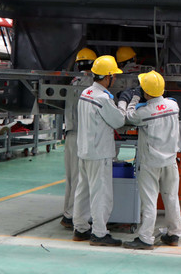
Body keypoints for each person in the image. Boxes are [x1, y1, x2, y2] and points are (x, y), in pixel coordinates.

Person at [121, 71, 181, 250]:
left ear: (146, 92)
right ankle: (174, 234)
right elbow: (167, 103)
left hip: (151, 163)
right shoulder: (173, 106)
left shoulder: (143, 112)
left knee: (149, 201)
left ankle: (146, 238)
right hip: (170, 161)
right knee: (171, 197)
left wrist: (132, 98)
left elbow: (128, 116)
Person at [73, 55, 126, 246]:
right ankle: (100, 234)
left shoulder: (86, 93)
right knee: (101, 193)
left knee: (83, 191)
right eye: (114, 76)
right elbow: (119, 121)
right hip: (99, 153)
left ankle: (80, 229)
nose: (115, 80)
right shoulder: (103, 98)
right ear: (107, 77)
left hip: (85, 151)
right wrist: (122, 104)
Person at [60, 48, 97, 229]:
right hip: (82, 136)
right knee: (80, 179)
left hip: (70, 134)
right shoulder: (91, 83)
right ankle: (72, 215)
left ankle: (68, 214)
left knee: (71, 177)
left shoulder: (74, 81)